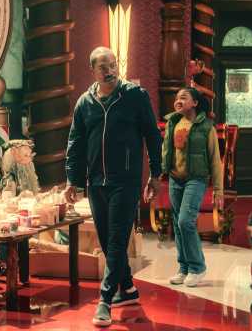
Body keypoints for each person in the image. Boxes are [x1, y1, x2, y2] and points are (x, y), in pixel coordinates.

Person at [64, 46, 162, 327]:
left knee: (118, 239)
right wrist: (73, 180)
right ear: (93, 70)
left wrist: (155, 173)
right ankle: (127, 288)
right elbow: (75, 143)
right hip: (96, 181)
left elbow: (152, 136)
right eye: (103, 66)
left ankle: (105, 300)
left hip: (126, 181)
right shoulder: (85, 103)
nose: (109, 70)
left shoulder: (135, 96)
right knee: (108, 241)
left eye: (113, 64)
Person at [161, 87, 223, 288]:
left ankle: (197, 267)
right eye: (176, 98)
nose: (178, 101)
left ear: (195, 103)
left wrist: (218, 189)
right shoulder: (173, 122)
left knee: (185, 221)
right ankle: (184, 268)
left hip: (196, 179)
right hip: (175, 179)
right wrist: (158, 175)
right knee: (178, 224)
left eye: (183, 97)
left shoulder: (206, 127)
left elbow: (215, 159)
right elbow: (165, 151)